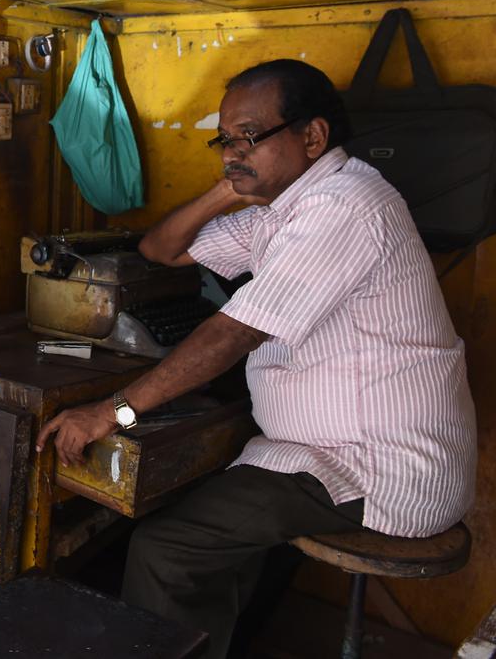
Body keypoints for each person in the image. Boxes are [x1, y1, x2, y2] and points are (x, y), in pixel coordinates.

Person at [34, 59, 476, 659]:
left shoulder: (344, 206)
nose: (229, 152)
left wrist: (113, 412)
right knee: (200, 524)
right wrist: (227, 185)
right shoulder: (281, 212)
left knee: (168, 550)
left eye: (248, 136)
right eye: (224, 140)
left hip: (382, 464)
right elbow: (160, 249)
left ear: (312, 136)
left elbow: (231, 334)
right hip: (318, 450)